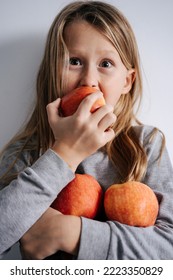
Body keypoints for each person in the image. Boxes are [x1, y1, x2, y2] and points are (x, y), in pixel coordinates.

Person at [0, 0, 173, 260]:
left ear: (127, 81)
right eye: (75, 61)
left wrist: (70, 232)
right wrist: (65, 153)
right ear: (52, 73)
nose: (89, 80)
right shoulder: (25, 153)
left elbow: (168, 247)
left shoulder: (146, 145)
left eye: (106, 64)